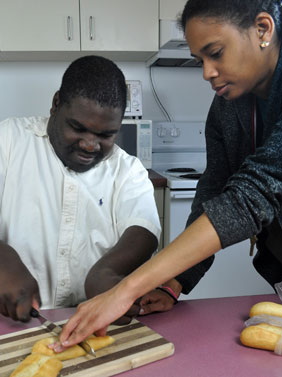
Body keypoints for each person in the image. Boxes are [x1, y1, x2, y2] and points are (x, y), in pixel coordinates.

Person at [53, 0, 282, 350]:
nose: (207, 73)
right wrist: (176, 280)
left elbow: (255, 193)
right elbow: (213, 192)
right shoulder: (227, 109)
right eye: (201, 60)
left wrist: (125, 290)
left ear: (262, 29)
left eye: (216, 53)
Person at [0, 55, 161, 325]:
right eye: (78, 128)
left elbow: (143, 229)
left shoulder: (128, 170)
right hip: (10, 323)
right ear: (55, 104)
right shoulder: (8, 141)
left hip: (92, 323)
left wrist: (107, 272)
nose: (89, 145)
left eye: (105, 135)